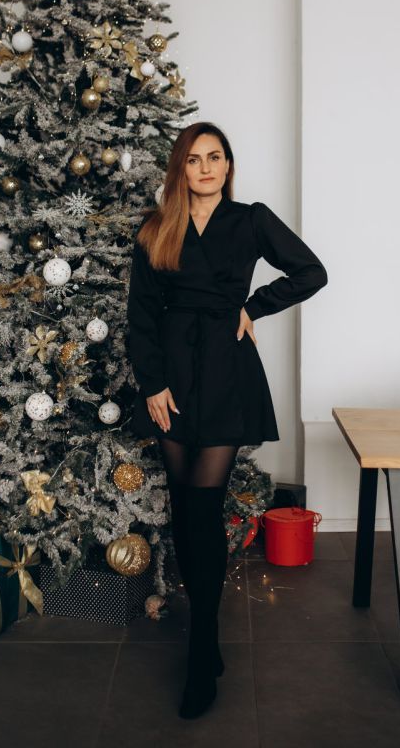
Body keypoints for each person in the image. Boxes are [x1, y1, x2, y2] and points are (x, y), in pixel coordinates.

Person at [125, 121, 327, 719]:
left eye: (215, 157)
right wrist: (152, 382)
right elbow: (140, 312)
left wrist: (253, 306)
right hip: (170, 374)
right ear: (180, 169)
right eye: (194, 159)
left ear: (228, 165)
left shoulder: (251, 220)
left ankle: (202, 647)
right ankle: (206, 643)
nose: (206, 168)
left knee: (204, 509)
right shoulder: (157, 226)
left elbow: (311, 272)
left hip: (224, 371)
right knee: (183, 511)